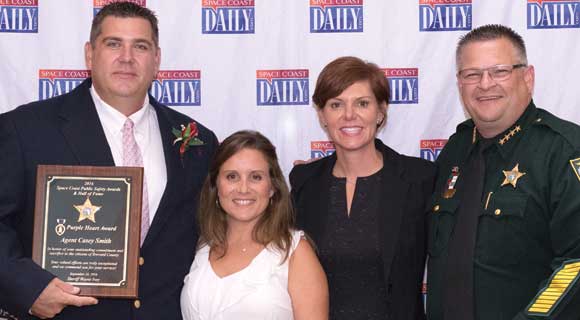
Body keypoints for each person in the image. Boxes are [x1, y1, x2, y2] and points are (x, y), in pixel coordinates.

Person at [0, 2, 218, 319]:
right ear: (90, 54)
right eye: (113, 43)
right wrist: (28, 288)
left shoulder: (197, 140)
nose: (126, 58)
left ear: (157, 59)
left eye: (140, 46)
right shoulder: (25, 130)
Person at [427, 24, 580, 320]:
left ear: (528, 77)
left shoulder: (564, 151)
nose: (485, 84)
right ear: (460, 83)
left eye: (499, 71)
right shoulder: (456, 150)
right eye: (472, 74)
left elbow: (576, 262)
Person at [290, 56, 436, 320]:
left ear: (380, 111)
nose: (349, 115)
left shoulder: (421, 180)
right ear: (322, 115)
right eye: (336, 105)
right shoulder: (304, 182)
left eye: (362, 103)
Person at [180, 130, 328, 320]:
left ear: (272, 187)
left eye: (255, 177)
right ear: (216, 186)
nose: (243, 188)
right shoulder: (201, 246)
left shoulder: (295, 253)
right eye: (232, 177)